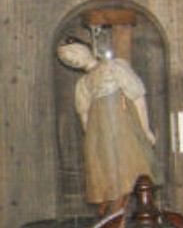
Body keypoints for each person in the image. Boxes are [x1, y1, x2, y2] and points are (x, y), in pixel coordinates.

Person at [57, 38, 162, 214]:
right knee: (109, 177)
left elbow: (137, 96)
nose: (72, 59)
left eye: (74, 52)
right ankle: (113, 213)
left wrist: (145, 129)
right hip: (101, 138)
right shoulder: (83, 84)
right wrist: (93, 146)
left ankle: (134, 208)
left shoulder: (114, 67)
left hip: (123, 130)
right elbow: (84, 116)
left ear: (88, 48)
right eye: (66, 59)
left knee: (132, 169)